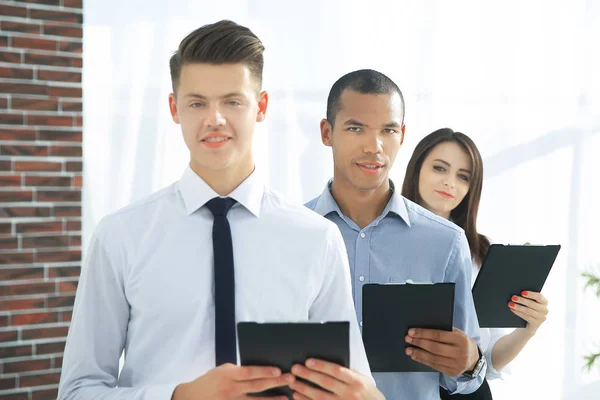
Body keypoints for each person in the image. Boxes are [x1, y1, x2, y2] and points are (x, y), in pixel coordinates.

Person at [58, 20, 383, 400]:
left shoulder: (317, 239)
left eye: (232, 101)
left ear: (260, 107)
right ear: (174, 108)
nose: (215, 119)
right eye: (197, 103)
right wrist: (179, 397)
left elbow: (358, 388)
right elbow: (77, 392)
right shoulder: (120, 237)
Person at [305, 69, 487, 400]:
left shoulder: (446, 243)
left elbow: (466, 378)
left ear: (401, 135)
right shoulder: (291, 235)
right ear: (327, 132)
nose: (374, 147)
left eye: (387, 130)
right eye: (356, 128)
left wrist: (470, 362)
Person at [401, 128, 549, 399]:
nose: (449, 183)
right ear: (416, 168)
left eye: (462, 176)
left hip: (467, 393)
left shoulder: (482, 252)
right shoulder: (381, 240)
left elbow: (489, 361)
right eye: (439, 168)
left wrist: (528, 330)